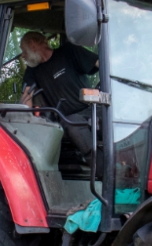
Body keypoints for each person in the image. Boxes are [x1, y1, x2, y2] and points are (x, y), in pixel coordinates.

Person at [19, 31, 100, 162]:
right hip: (67, 120)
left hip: (92, 110)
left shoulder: (69, 52)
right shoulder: (32, 71)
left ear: (33, 44)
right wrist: (25, 124)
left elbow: (101, 64)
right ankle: (106, 171)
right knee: (73, 124)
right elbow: (26, 97)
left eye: (23, 50)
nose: (22, 55)